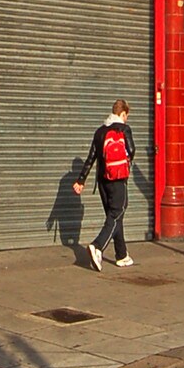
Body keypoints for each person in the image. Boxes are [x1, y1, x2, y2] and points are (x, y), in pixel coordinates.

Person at [71, 99, 136, 270]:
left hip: (103, 181)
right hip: (118, 179)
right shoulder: (124, 129)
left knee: (114, 217)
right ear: (122, 114)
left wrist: (81, 180)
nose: (126, 119)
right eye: (126, 116)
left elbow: (91, 158)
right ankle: (97, 246)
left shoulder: (100, 131)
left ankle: (122, 255)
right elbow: (132, 150)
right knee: (117, 213)